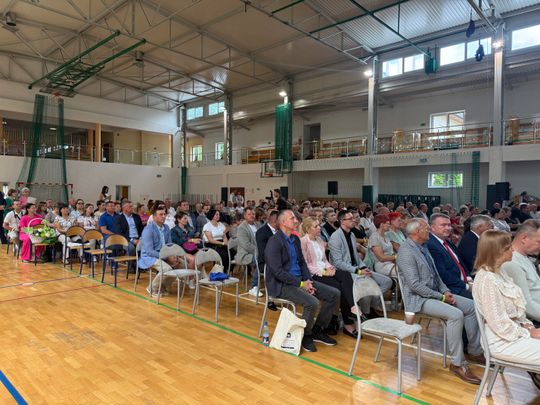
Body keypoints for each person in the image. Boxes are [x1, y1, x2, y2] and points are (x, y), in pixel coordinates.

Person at [397, 218, 484, 384]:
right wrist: (441, 297)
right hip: (418, 299)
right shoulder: (406, 251)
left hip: (435, 293)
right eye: (426, 228)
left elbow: (437, 276)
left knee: (472, 307)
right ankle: (458, 364)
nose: (429, 231)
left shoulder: (423, 247)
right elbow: (414, 285)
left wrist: (445, 291)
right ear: (416, 232)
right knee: (455, 315)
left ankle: (474, 351)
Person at [265, 210, 340, 352]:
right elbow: (277, 272)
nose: (296, 220)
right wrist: (300, 284)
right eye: (292, 218)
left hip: (301, 280)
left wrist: (307, 280)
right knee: (312, 302)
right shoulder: (274, 242)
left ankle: (318, 329)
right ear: (283, 223)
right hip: (282, 285)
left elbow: (302, 263)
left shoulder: (294, 239)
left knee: (334, 294)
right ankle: (306, 335)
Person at [472, 229, 540, 388]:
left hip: (513, 333)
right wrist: (529, 333)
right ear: (497, 251)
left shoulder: (499, 272)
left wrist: (529, 327)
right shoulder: (487, 279)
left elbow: (517, 313)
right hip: (501, 341)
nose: (513, 250)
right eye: (508, 247)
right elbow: (500, 325)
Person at [300, 217, 357, 338]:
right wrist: (324, 272)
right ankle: (346, 321)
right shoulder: (303, 242)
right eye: (316, 226)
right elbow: (305, 265)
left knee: (346, 275)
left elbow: (324, 260)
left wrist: (330, 268)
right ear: (308, 229)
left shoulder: (319, 240)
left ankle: (352, 307)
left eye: (319, 225)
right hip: (315, 274)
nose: (319, 228)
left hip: (325, 269)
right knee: (339, 288)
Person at [329, 210, 392, 317]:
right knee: (367, 285)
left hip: (358, 268)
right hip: (346, 272)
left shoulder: (352, 235)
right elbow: (338, 263)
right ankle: (367, 313)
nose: (353, 220)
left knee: (387, 281)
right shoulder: (335, 237)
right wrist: (358, 271)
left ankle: (370, 306)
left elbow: (356, 257)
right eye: (350, 219)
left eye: (353, 218)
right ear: (342, 221)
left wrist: (363, 267)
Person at [502, 220, 540, 327]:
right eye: (539, 242)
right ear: (524, 238)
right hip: (532, 322)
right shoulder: (512, 262)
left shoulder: (523, 257)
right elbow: (525, 304)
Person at [427, 213, 473, 299]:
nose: (448, 228)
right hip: (452, 288)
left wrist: (468, 278)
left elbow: (460, 262)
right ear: (432, 227)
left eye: (449, 225)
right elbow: (443, 275)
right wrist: (466, 286)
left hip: (463, 282)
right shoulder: (431, 245)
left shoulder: (446, 241)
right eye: (443, 225)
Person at [139, 203, 177, 297]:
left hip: (163, 255)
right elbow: (149, 251)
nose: (163, 216)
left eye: (164, 214)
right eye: (161, 214)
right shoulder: (148, 230)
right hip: (149, 257)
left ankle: (162, 287)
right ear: (154, 217)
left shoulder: (166, 227)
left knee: (179, 264)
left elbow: (169, 245)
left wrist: (172, 255)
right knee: (167, 269)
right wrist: (167, 257)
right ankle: (152, 288)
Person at [235, 207, 261, 297]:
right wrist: (260, 251)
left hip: (257, 252)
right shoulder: (241, 228)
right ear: (245, 216)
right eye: (249, 214)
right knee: (260, 261)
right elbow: (246, 245)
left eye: (253, 214)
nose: (252, 216)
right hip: (246, 254)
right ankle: (253, 287)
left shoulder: (258, 225)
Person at [256, 210, 279, 311]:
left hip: (277, 260)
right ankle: (270, 299)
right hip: (265, 263)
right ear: (275, 221)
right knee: (275, 270)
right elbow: (264, 253)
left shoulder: (279, 231)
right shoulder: (261, 232)